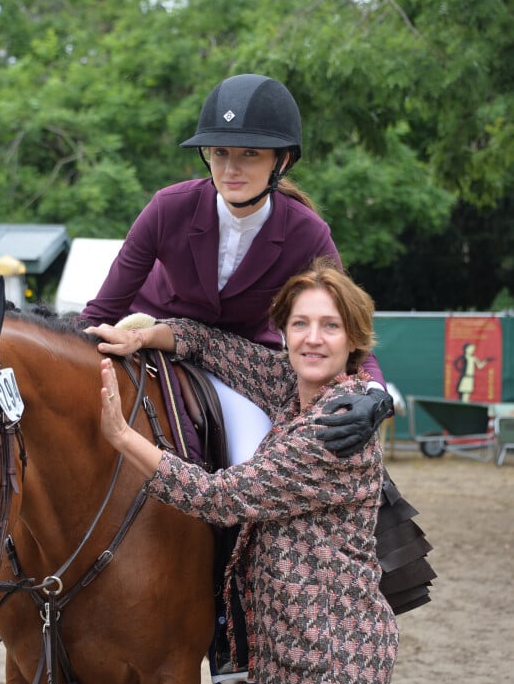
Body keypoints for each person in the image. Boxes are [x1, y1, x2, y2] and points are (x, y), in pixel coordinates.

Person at [94, 257, 399, 684]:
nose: (313, 338)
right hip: (292, 654)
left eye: (330, 326)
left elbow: (219, 498)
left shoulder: (335, 427)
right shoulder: (294, 386)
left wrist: (125, 439)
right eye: (300, 324)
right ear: (282, 333)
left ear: (354, 342)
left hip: (333, 660)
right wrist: (144, 336)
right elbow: (212, 345)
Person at [79, 73, 393, 462]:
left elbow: (351, 330)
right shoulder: (167, 207)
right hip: (146, 344)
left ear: (282, 160)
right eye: (220, 153)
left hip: (235, 370)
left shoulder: (306, 232)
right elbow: (102, 310)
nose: (231, 169)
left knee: (250, 460)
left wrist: (378, 396)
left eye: (249, 154)